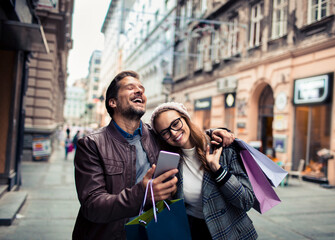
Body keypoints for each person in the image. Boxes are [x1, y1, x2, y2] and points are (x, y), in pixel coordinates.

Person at [72, 71, 234, 239]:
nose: (140, 91)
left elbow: (183, 136)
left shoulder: (157, 135)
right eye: (130, 87)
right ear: (112, 102)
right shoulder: (92, 144)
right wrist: (143, 194)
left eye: (141, 88)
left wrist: (213, 134)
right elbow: (92, 206)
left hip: (153, 232)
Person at [150, 102, 258, 240]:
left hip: (231, 232)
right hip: (195, 231)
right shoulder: (170, 162)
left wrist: (219, 171)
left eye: (175, 123)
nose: (173, 133)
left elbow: (247, 201)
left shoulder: (221, 147)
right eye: (165, 132)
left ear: (186, 119)